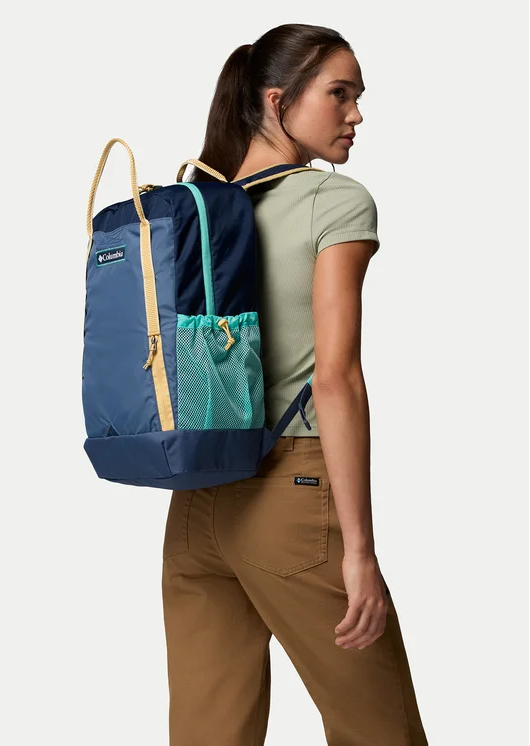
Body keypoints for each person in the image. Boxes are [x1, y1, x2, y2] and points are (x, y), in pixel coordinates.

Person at [161, 22, 429, 746]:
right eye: (339, 94)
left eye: (358, 96)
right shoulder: (335, 203)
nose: (356, 114)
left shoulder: (196, 205)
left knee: (208, 735)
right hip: (292, 495)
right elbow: (336, 379)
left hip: (196, 496)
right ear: (278, 101)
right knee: (380, 731)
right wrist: (359, 552)